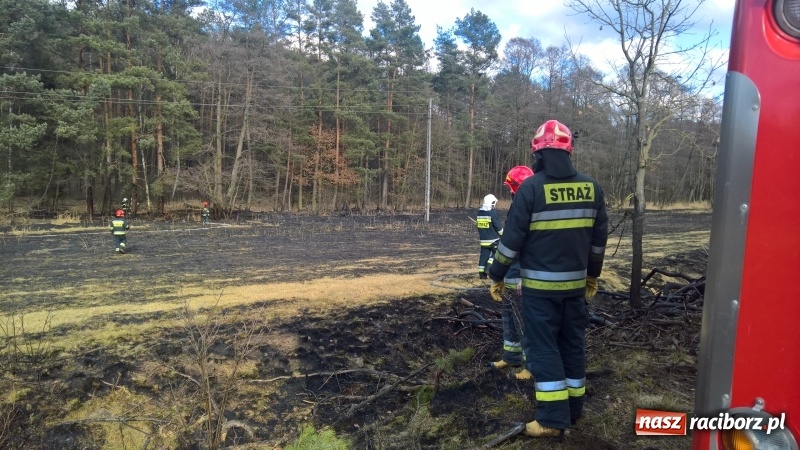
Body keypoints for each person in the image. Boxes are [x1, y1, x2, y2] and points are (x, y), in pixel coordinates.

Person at [488, 120, 608, 437]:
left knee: (543, 351)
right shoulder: (591, 188)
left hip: (541, 293)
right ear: (569, 151)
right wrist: (592, 275)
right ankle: (573, 410)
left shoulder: (530, 189)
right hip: (576, 290)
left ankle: (553, 420)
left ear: (538, 153)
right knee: (572, 346)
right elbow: (598, 241)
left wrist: (496, 275)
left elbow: (510, 243)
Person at [490, 166, 535, 382]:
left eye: (511, 187)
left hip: (522, 276)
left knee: (524, 322)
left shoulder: (531, 208)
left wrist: (526, 278)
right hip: (510, 272)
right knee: (509, 318)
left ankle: (531, 366)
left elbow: (531, 247)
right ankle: (511, 356)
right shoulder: (517, 206)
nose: (509, 191)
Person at [476, 194, 502, 279]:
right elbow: (498, 226)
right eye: (494, 203)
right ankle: (488, 267)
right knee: (498, 253)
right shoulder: (492, 213)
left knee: (484, 256)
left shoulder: (479, 213)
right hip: (493, 240)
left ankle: (482, 275)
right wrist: (503, 235)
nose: (494, 204)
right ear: (491, 203)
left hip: (483, 241)